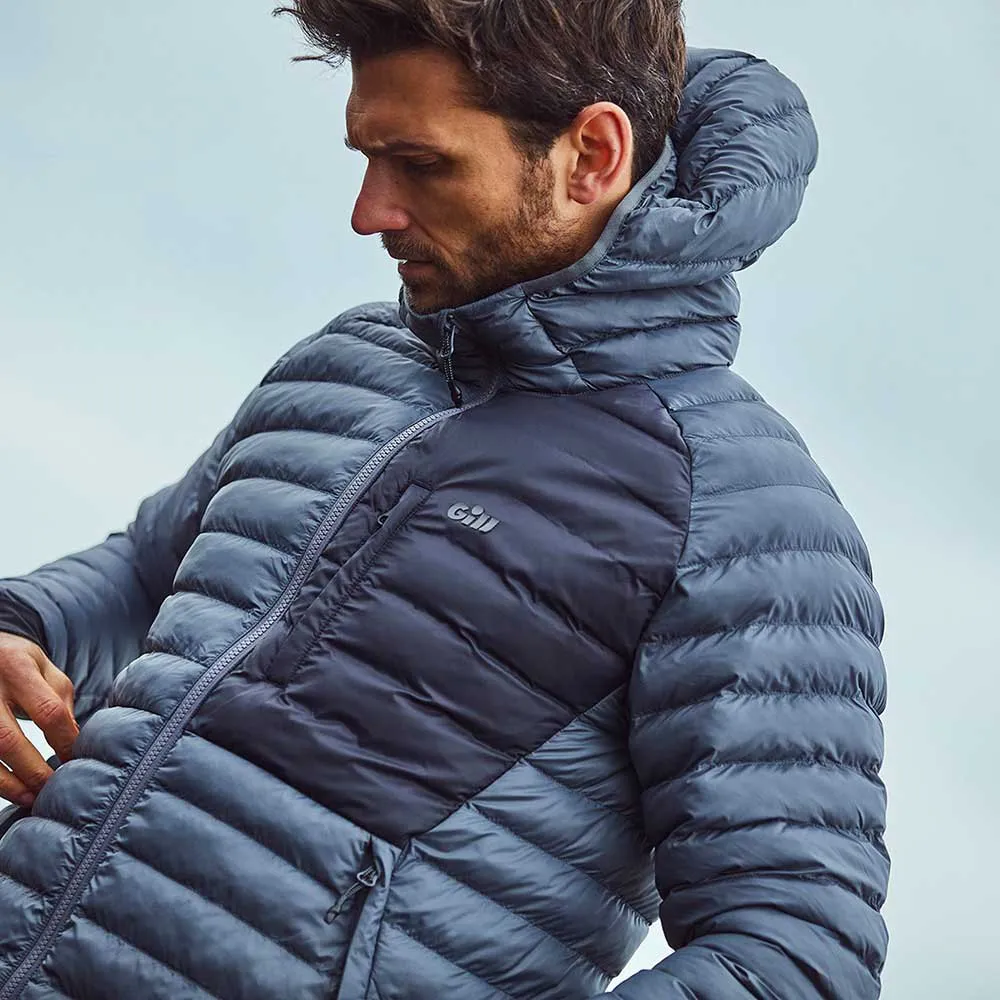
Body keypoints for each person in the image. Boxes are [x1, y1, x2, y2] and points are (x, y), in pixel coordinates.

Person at [0, 2, 890, 998]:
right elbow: (147, 572)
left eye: (420, 164)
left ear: (591, 156)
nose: (369, 212)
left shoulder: (746, 518)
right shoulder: (350, 360)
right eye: (367, 158)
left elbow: (790, 951)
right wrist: (16, 626)